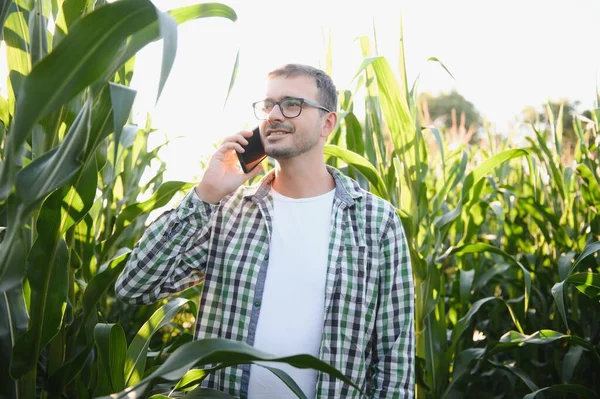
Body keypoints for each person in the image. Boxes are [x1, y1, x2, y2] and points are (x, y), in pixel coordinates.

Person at [115, 64, 414, 398]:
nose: (274, 115)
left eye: (292, 104)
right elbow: (135, 287)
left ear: (327, 123)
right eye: (267, 105)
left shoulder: (376, 221)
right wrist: (206, 193)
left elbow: (393, 358)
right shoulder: (228, 210)